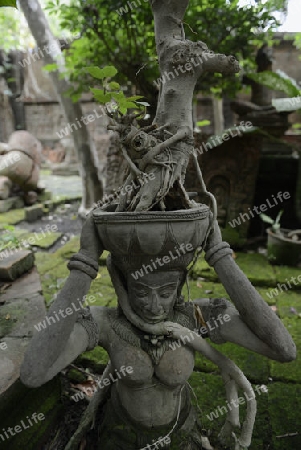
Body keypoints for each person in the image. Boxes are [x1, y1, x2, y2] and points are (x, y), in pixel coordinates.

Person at [20, 213, 296, 450]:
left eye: (165, 293)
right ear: (125, 287)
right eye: (141, 292)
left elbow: (283, 349)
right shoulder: (104, 322)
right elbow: (34, 374)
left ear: (180, 286)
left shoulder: (196, 317)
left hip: (180, 431)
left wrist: (220, 255)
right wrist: (85, 261)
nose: (153, 306)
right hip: (119, 435)